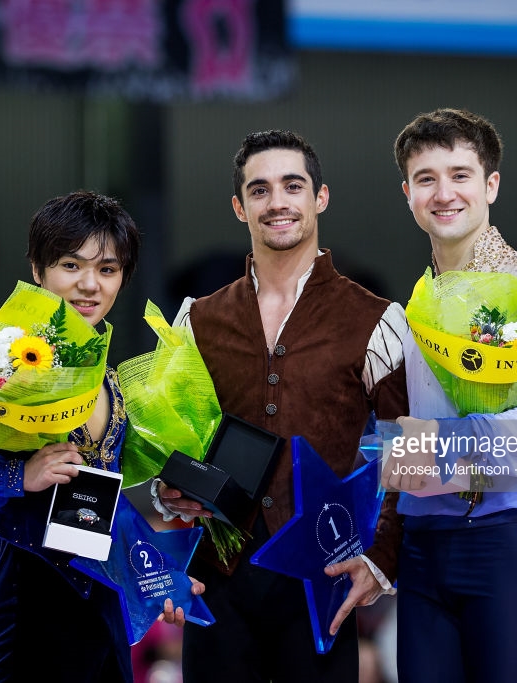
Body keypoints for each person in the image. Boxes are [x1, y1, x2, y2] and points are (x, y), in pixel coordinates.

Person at [0, 191, 199, 683]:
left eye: (107, 269)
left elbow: (103, 504)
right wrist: (18, 474)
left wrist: (158, 575)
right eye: (70, 265)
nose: (89, 284)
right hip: (33, 606)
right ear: (38, 270)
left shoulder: (112, 382)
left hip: (104, 609)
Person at [152, 130, 409, 682]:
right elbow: (168, 442)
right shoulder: (196, 318)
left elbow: (407, 448)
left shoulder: (377, 319)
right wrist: (168, 490)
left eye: (293, 186)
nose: (277, 202)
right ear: (239, 206)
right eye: (260, 189)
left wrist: (382, 558)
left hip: (324, 580)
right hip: (219, 577)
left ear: (320, 197)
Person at [385, 108, 517, 681]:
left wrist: (440, 444)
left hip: (507, 538)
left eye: (460, 175)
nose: (443, 193)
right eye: (425, 179)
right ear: (408, 194)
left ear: (491, 185)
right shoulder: (414, 304)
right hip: (423, 545)